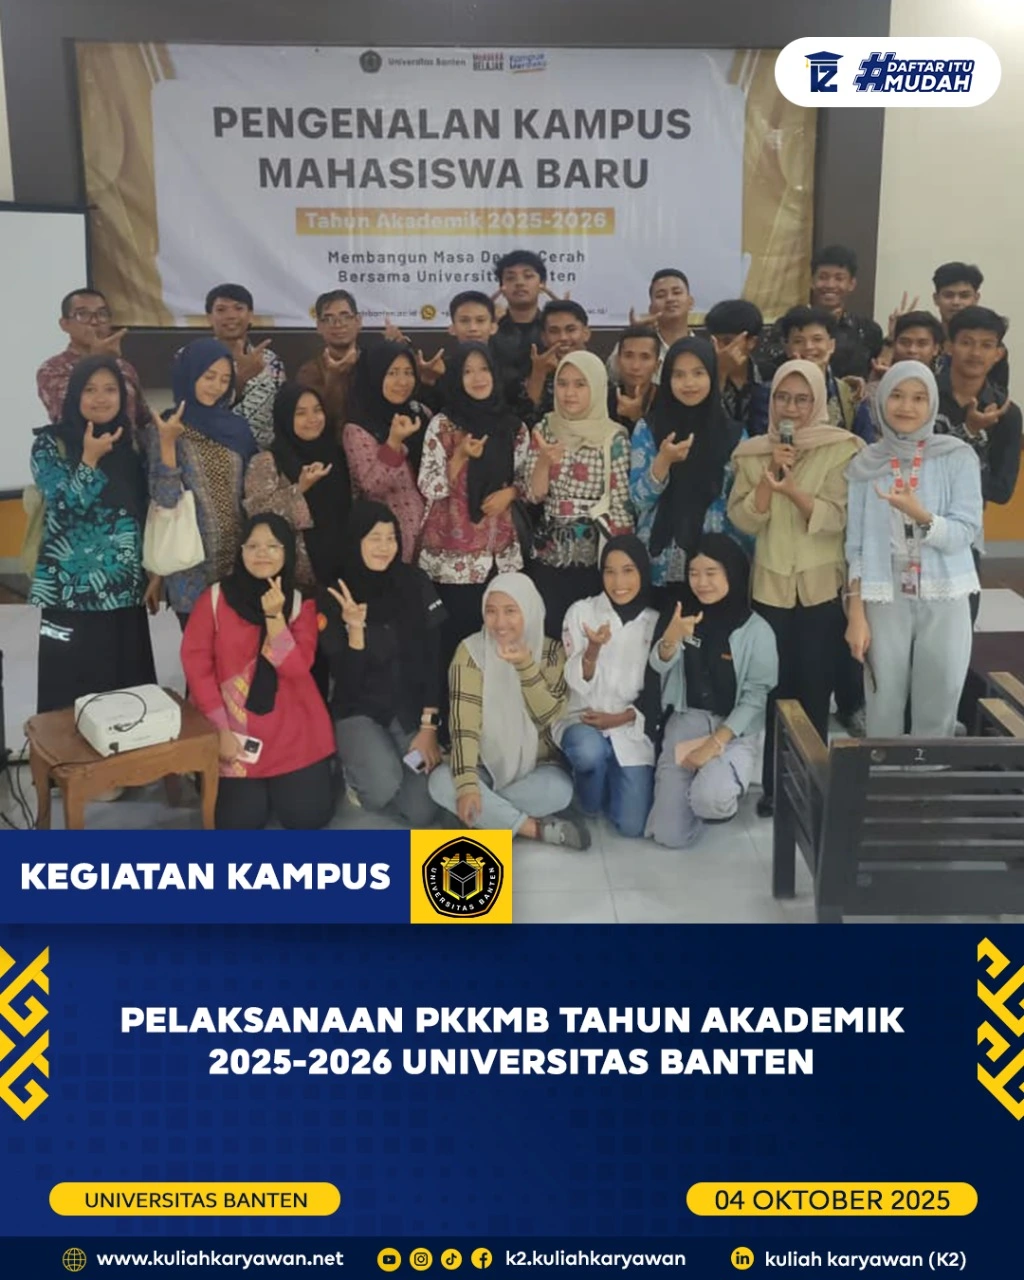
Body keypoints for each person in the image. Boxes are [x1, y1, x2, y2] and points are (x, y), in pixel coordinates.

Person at [728, 359, 862, 817]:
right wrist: (769, 481)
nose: (791, 408)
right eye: (782, 398)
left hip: (821, 589)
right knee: (774, 691)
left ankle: (810, 786)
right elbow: (743, 520)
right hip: (770, 588)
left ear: (818, 401)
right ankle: (774, 788)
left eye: (802, 399)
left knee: (814, 691)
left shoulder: (843, 449)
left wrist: (792, 491)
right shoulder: (751, 454)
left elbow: (837, 519)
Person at [844, 362, 983, 737]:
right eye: (897, 396)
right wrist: (856, 615)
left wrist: (921, 515)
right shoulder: (865, 463)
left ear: (932, 403)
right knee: (883, 698)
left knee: (940, 693)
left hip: (945, 589)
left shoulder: (957, 456)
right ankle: (885, 771)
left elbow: (966, 531)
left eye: (919, 398)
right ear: (881, 400)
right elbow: (855, 547)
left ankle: (930, 773)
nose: (906, 407)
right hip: (884, 590)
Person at [181, 513, 336, 829]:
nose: (262, 553)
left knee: (308, 819)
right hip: (234, 727)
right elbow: (196, 666)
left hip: (293, 729)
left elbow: (296, 668)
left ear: (287, 552)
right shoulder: (215, 599)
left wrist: (275, 618)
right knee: (238, 824)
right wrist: (220, 731)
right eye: (252, 546)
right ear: (241, 551)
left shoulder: (300, 603)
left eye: (273, 546)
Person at [30, 355, 157, 713]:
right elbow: (64, 510)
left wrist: (154, 570)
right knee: (67, 696)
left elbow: (143, 513)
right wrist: (88, 460)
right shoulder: (50, 444)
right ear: (74, 394)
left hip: (124, 592)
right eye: (90, 389)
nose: (101, 398)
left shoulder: (131, 445)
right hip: (70, 595)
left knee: (127, 696)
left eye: (110, 389)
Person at [428, 572, 588, 847]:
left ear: (529, 609)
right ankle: (535, 829)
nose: (500, 622)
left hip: (535, 766)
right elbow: (464, 727)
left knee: (559, 790)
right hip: (481, 765)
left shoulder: (551, 653)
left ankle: (477, 816)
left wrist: (525, 666)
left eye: (510, 611)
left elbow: (548, 716)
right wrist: (467, 785)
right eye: (491, 611)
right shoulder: (470, 652)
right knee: (440, 782)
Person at [646, 534, 777, 849]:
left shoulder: (757, 630)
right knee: (669, 836)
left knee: (711, 800)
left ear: (732, 572)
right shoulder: (685, 615)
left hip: (733, 730)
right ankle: (696, 790)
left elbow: (755, 698)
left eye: (711, 573)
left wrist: (714, 744)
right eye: (694, 573)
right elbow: (659, 665)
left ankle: (711, 790)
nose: (701, 583)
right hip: (687, 720)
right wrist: (671, 638)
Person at [320, 501, 445, 827]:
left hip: (406, 708)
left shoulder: (413, 582)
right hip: (358, 710)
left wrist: (429, 728)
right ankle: (356, 774)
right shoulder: (335, 594)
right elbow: (346, 685)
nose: (384, 547)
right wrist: (355, 630)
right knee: (380, 788)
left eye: (391, 538)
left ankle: (392, 759)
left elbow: (434, 656)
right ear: (356, 540)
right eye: (374, 538)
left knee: (422, 811)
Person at [417, 343, 531, 697]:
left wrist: (511, 493)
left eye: (484, 369)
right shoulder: (443, 425)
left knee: (498, 645)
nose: (477, 378)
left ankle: (496, 717)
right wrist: (460, 457)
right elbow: (430, 485)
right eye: (467, 371)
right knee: (456, 647)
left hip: (500, 555)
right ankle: (453, 718)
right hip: (453, 560)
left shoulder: (513, 427)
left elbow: (529, 482)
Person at [554, 537, 659, 837]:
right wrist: (593, 650)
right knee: (589, 753)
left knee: (632, 826)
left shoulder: (655, 621)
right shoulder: (581, 612)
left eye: (628, 571)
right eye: (610, 572)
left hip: (629, 726)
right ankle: (588, 789)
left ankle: (611, 775)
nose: (618, 582)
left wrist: (621, 718)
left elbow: (658, 689)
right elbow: (575, 681)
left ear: (642, 572)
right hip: (583, 719)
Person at [148, 337, 257, 625]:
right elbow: (164, 500)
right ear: (189, 374)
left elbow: (251, 492)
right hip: (190, 567)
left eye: (224, 379)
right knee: (199, 648)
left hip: (237, 561)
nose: (217, 386)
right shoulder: (166, 427)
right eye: (208, 376)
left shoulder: (237, 429)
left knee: (240, 646)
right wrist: (168, 444)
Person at [524, 351, 634, 639]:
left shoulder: (614, 437)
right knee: (549, 634)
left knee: (589, 636)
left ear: (596, 387)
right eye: (562, 383)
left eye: (580, 384)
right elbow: (533, 495)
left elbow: (621, 505)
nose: (569, 393)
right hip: (548, 555)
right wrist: (544, 462)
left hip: (595, 559)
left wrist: (619, 565)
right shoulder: (544, 429)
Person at [630, 337, 747, 590]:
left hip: (715, 565)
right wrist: (663, 462)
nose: (689, 383)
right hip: (659, 561)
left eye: (698, 373)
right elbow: (638, 501)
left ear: (712, 375)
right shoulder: (648, 429)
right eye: (679, 375)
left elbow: (742, 506)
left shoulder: (735, 436)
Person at [934, 306, 1022, 627]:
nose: (975, 353)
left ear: (998, 353)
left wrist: (951, 473)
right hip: (911, 527)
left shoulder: (1006, 414)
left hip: (965, 534)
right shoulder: (922, 396)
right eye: (967, 342)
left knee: (959, 627)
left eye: (986, 345)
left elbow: (1002, 490)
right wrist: (967, 436)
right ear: (948, 346)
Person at [243, 383, 351, 588]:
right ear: (285, 417)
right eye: (300, 413)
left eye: (317, 410)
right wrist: (300, 488)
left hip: (345, 571)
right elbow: (258, 515)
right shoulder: (267, 461)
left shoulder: (337, 454)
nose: (312, 419)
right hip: (296, 578)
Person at [342, 341, 427, 563]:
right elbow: (372, 486)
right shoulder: (358, 428)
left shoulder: (420, 413)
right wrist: (394, 443)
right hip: (393, 543)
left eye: (408, 372)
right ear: (375, 375)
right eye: (392, 373)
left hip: (434, 540)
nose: (402, 382)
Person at [36, 288, 153, 432]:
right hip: (80, 445)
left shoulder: (123, 366)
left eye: (102, 314)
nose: (94, 321)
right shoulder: (53, 369)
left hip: (126, 444)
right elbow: (68, 414)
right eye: (83, 314)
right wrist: (96, 361)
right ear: (64, 324)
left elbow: (143, 420)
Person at [751, 307, 861, 437]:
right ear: (787, 347)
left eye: (817, 339)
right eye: (798, 341)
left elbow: (864, 443)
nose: (809, 347)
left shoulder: (849, 393)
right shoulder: (768, 394)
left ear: (831, 345)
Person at [204, 282, 286, 449]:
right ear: (209, 317)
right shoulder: (190, 358)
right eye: (221, 310)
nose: (231, 316)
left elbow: (283, 415)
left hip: (261, 456)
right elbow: (192, 412)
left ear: (250, 315)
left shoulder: (271, 361)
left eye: (238, 308)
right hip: (210, 455)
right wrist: (239, 380)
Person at [854, 311, 945, 441]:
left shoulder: (944, 391)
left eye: (922, 344)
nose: (912, 350)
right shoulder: (873, 394)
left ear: (936, 348)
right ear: (894, 344)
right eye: (905, 342)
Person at [807, 244, 884, 379]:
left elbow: (876, 375)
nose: (830, 285)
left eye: (839, 278)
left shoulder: (868, 331)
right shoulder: (791, 326)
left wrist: (891, 340)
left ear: (851, 284)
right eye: (823, 277)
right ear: (812, 281)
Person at [608, 268, 695, 384]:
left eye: (676, 292)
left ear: (690, 302)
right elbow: (612, 374)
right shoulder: (641, 345)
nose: (670, 299)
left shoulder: (703, 348)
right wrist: (634, 334)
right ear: (651, 308)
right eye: (661, 295)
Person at [932, 262, 1008, 392]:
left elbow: (998, 393)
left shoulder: (991, 348)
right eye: (949, 295)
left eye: (964, 296)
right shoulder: (924, 341)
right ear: (936, 299)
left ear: (976, 298)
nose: (956, 302)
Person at [295, 289, 362, 438]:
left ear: (358, 321)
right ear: (319, 326)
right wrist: (334, 378)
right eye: (329, 319)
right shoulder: (309, 372)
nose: (338, 324)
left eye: (345, 317)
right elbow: (317, 422)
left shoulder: (374, 362)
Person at [523, 300, 592, 425]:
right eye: (554, 331)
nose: (563, 338)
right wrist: (538, 374)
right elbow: (526, 421)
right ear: (544, 337)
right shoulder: (534, 372)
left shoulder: (598, 372)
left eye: (571, 330)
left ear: (586, 333)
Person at [703, 299, 765, 431]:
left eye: (727, 342)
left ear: (751, 342)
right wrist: (720, 374)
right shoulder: (701, 376)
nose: (719, 350)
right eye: (714, 341)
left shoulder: (769, 375)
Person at [490, 249, 547, 388]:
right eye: (510, 278)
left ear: (542, 284)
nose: (519, 283)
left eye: (528, 276)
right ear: (501, 287)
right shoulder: (490, 331)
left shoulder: (552, 328)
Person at [608, 326, 660, 433]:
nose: (635, 366)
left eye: (645, 357)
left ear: (657, 365)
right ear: (618, 361)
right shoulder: (604, 400)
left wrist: (637, 418)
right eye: (628, 356)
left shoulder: (669, 401)